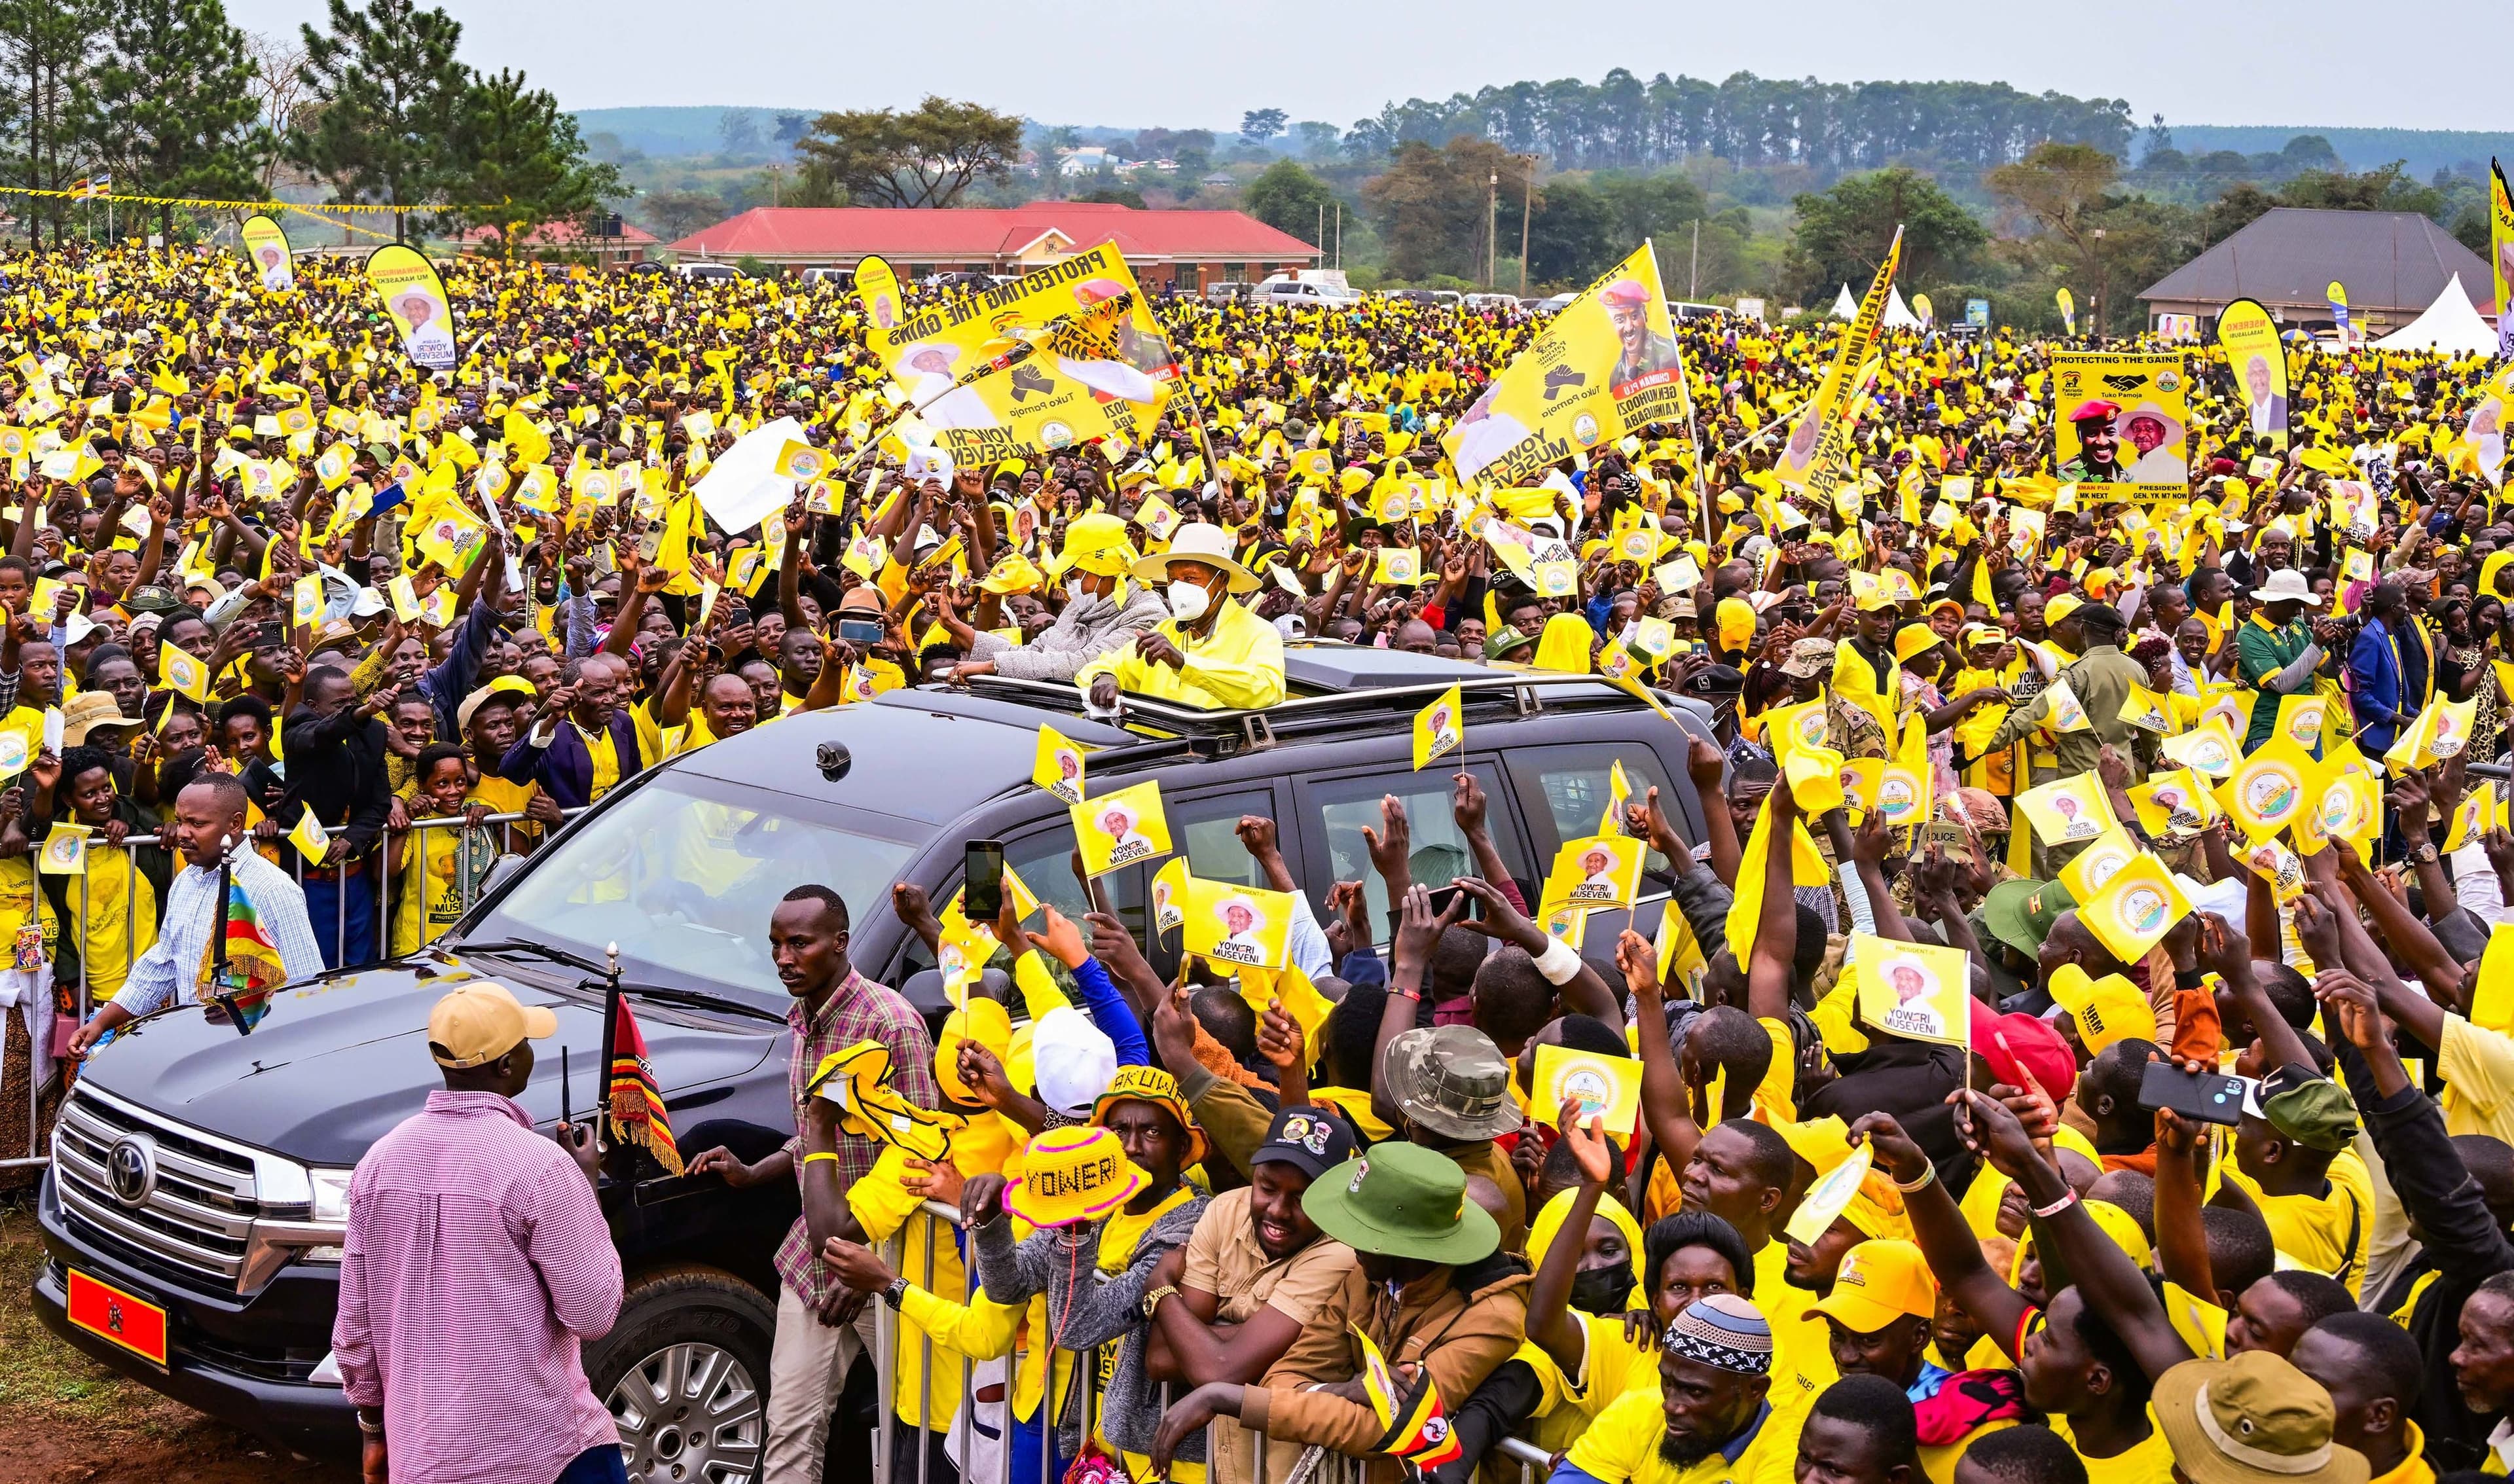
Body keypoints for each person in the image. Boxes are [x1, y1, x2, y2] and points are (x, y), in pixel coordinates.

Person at [682, 886, 938, 1484]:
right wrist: (755, 1172)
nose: (784, 958)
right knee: (792, 1423)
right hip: (814, 1257)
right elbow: (818, 1138)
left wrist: (868, 1261)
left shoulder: (889, 1022)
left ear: (840, 943)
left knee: (920, 1429)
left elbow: (924, 1152)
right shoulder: (805, 1020)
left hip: (890, 1264)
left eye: (800, 943)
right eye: (776, 944)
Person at [332, 981, 623, 1484]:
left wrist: (373, 1430)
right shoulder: (542, 1168)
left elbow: (355, 1327)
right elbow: (593, 1312)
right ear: (506, 1066)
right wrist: (587, 1179)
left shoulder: (378, 1164)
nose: (534, 1052)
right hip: (541, 1453)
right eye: (526, 1044)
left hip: (421, 1458)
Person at [64, 771, 324, 1057]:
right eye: (179, 821)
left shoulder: (272, 889)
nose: (182, 834)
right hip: (198, 1051)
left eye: (197, 824)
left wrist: (251, 1011)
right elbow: (162, 964)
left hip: (257, 1055)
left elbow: (306, 987)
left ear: (235, 824)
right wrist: (101, 1023)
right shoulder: (187, 880)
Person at [1546, 1294, 1802, 1484]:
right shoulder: (1636, 1411)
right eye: (1668, 1382)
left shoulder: (1791, 1455)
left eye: (1696, 1392)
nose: (1670, 1405)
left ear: (1756, 1390)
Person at [1080, 523, 1285, 712]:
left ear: (1222, 580)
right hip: (1149, 747)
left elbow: (1267, 689)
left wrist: (1183, 663)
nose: (1178, 587)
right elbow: (1108, 665)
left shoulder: (1258, 632)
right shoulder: (1166, 630)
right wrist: (1105, 676)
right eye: (1172, 579)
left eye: (1190, 578)